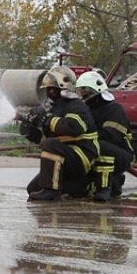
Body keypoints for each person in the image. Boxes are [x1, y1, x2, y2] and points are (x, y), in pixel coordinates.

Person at [21, 66, 99, 201]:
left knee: (52, 144)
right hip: (66, 157)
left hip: (82, 156)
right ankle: (78, 188)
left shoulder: (77, 106)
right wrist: (31, 131)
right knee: (33, 189)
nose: (49, 92)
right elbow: (47, 141)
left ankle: (51, 191)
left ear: (64, 87)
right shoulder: (55, 109)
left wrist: (47, 119)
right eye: (47, 89)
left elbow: (73, 128)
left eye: (51, 88)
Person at [76, 71, 134, 201]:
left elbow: (111, 136)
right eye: (80, 90)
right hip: (93, 148)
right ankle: (110, 181)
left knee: (100, 146)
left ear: (95, 90)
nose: (82, 94)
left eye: (85, 90)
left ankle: (104, 188)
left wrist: (84, 137)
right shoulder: (87, 109)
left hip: (120, 154)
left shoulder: (114, 108)